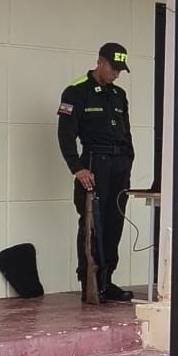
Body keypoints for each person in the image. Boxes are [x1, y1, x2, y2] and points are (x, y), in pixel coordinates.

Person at [57, 43, 135, 304]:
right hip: (94, 164)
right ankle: (89, 281)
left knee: (115, 223)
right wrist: (77, 168)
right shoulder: (77, 91)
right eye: (113, 68)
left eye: (120, 71)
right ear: (100, 62)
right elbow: (66, 134)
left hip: (119, 165)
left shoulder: (119, 94)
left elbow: (126, 132)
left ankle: (107, 279)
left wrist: (128, 161)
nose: (116, 74)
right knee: (92, 225)